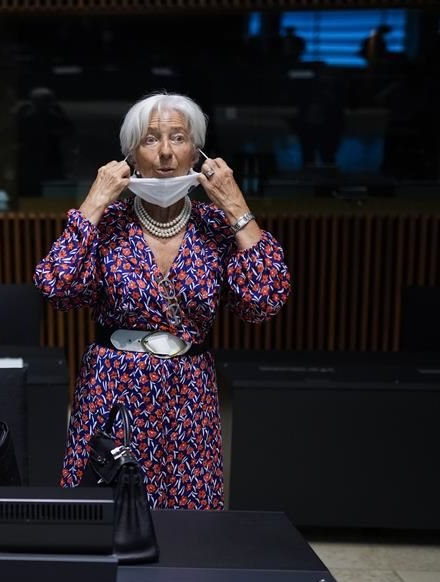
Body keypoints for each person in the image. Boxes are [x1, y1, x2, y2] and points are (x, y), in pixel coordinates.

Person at [34, 92, 290, 510]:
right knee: (104, 513)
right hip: (112, 387)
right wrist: (95, 201)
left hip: (189, 390)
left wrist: (234, 204)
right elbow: (56, 287)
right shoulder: (109, 223)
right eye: (151, 140)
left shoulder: (216, 225)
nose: (167, 152)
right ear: (131, 154)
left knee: (189, 524)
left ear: (198, 152)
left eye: (179, 138)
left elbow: (265, 301)